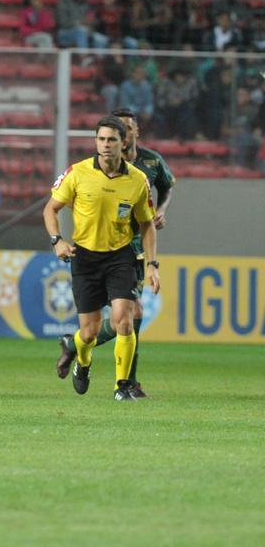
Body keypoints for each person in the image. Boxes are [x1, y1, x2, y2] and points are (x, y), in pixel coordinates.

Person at [55, 108, 174, 399]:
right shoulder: (82, 171)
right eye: (104, 137)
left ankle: (125, 383)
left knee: (129, 314)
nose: (110, 141)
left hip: (128, 251)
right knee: (96, 328)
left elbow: (166, 189)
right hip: (89, 254)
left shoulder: (148, 165)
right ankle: (78, 348)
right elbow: (53, 206)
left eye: (125, 130)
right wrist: (57, 239)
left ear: (130, 136)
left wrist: (161, 211)